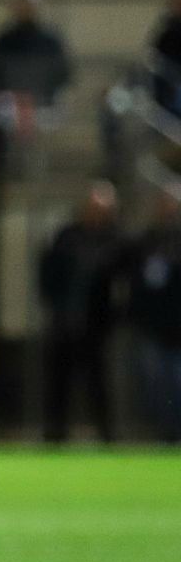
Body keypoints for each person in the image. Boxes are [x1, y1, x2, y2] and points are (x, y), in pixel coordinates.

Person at [37, 180, 124, 443]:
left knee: (97, 383)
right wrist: (56, 303)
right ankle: (55, 434)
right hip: (64, 321)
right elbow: (48, 272)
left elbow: (122, 282)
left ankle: (106, 434)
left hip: (96, 324)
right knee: (58, 382)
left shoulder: (115, 240)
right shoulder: (68, 236)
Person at [0, 0, 72, 177]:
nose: (26, 7)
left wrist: (35, 95)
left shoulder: (50, 39)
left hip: (43, 104)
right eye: (22, 2)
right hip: (8, 104)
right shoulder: (3, 39)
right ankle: (0, 175)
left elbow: (64, 74)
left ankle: (44, 175)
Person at [126, 187, 181, 442]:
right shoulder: (146, 241)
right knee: (157, 383)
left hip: (177, 325)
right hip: (152, 325)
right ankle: (163, 431)